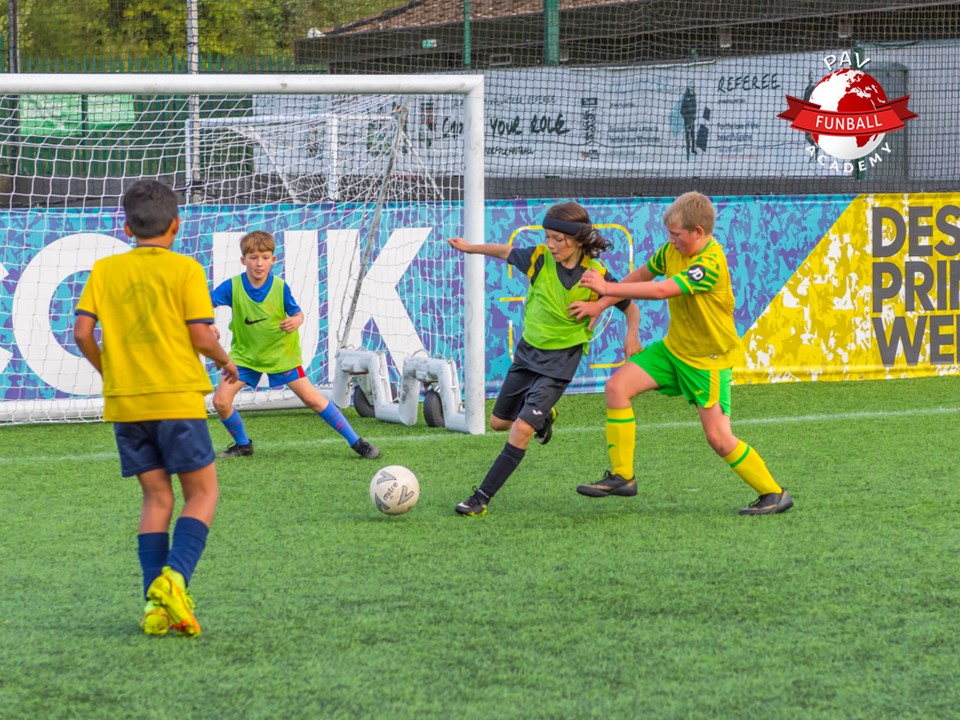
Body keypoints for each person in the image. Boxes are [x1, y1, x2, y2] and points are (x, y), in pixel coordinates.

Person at [74, 179, 240, 638]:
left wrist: (109, 372)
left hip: (126, 403)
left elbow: (83, 332)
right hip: (176, 399)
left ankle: (155, 606)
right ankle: (175, 578)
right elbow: (201, 334)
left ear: (127, 227)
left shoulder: (105, 270)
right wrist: (227, 364)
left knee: (156, 498)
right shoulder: (185, 269)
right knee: (203, 494)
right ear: (177, 226)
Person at [568, 191, 793, 515]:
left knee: (719, 438)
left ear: (698, 232)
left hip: (707, 362)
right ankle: (623, 476)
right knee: (617, 387)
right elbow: (645, 274)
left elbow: (661, 290)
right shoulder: (671, 250)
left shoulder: (710, 264)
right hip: (674, 350)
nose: (670, 240)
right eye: (669, 234)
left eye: (676, 235)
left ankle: (773, 493)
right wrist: (600, 305)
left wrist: (608, 288)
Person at [448, 201, 641, 516]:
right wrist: (470, 249)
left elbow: (630, 307)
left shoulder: (597, 275)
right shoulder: (538, 259)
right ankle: (546, 417)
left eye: (557, 239)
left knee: (521, 429)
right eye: (547, 237)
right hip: (527, 354)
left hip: (560, 362)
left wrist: (629, 334)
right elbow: (503, 251)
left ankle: (480, 498)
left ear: (578, 239)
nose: (550, 245)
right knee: (499, 423)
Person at [210, 230, 380, 460]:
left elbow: (297, 313)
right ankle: (243, 445)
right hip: (245, 357)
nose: (259, 263)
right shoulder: (232, 286)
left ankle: (358, 443)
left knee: (312, 399)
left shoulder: (280, 287)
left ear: (273, 260)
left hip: (282, 355)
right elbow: (203, 303)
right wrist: (207, 322)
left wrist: (296, 320)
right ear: (243, 260)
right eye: (253, 257)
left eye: (265, 257)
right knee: (220, 401)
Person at [680, 84, 698, 159]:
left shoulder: (694, 97)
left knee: (693, 135)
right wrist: (686, 117)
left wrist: (693, 117)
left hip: (692, 120)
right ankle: (687, 152)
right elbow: (682, 110)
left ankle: (693, 149)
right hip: (687, 120)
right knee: (688, 136)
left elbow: (694, 108)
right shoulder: (685, 98)